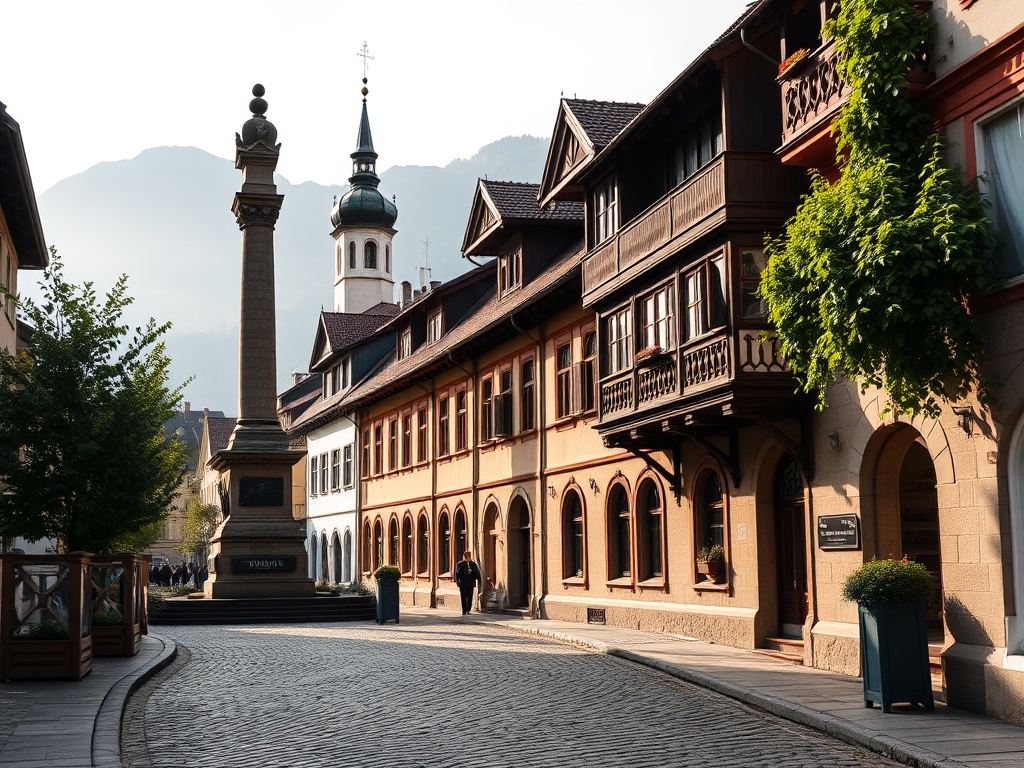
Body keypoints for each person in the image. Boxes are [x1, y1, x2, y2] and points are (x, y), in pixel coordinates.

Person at [453, 550, 482, 616]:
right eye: (466, 557)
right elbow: (457, 574)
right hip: (463, 583)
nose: (468, 558)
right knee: (463, 597)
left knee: (470, 596)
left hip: (470, 583)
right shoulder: (460, 564)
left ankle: (468, 609)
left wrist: (478, 579)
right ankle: (464, 610)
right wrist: (457, 582)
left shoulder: (473, 564)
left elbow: (477, 573)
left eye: (469, 557)